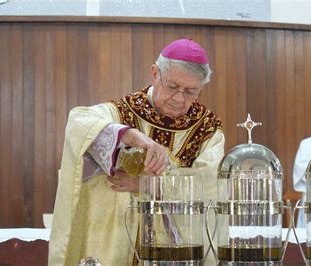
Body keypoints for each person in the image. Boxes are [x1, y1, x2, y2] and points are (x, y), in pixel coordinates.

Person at [48, 39, 225, 265]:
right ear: (155, 73)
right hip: (116, 244)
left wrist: (146, 185)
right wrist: (131, 136)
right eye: (172, 87)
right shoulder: (121, 112)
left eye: (191, 91)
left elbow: (208, 184)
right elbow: (78, 121)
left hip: (174, 249)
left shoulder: (207, 129)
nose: (180, 98)